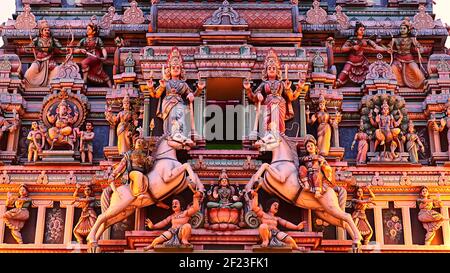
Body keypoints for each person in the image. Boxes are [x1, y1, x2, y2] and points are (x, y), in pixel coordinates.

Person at [244, 49, 305, 135]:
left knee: (280, 122)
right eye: (269, 68)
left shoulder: (281, 83)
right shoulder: (264, 84)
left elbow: (292, 97)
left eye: (273, 68)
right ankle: (267, 135)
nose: (271, 70)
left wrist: (296, 88)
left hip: (280, 104)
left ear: (277, 71)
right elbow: (253, 98)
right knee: (266, 122)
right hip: (268, 103)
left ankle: (281, 136)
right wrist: (248, 89)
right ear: (265, 71)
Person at [148, 47, 205, 135]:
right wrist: (151, 87)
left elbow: (193, 95)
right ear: (169, 70)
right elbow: (155, 95)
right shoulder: (165, 82)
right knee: (170, 121)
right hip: (167, 104)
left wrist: (199, 89)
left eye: (178, 67)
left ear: (181, 70)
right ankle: (169, 136)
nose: (175, 69)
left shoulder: (183, 84)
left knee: (180, 121)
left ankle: (180, 135)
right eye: (173, 67)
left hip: (179, 104)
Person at [336, 22, 387, 88]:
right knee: (345, 70)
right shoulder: (352, 39)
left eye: (363, 30)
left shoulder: (366, 40)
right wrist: (352, 47)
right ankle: (337, 83)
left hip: (361, 60)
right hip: (351, 60)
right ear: (356, 31)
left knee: (370, 70)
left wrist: (385, 50)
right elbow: (343, 49)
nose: (362, 31)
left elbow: (376, 47)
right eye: (360, 29)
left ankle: (371, 84)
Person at [24, 20, 65, 88]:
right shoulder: (37, 39)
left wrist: (68, 49)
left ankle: (51, 84)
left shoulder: (53, 40)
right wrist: (29, 48)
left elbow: (61, 48)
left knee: (57, 70)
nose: (47, 31)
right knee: (31, 70)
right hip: (39, 60)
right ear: (41, 32)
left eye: (48, 30)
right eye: (45, 30)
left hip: (50, 60)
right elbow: (28, 47)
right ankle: (29, 83)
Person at [390, 19, 426, 89]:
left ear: (408, 30)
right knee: (393, 69)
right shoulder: (395, 38)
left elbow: (418, 45)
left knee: (415, 69)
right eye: (401, 28)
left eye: (404, 28)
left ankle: (420, 83)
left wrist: (420, 51)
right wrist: (389, 50)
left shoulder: (412, 38)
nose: (402, 30)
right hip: (398, 58)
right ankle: (397, 84)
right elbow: (389, 47)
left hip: (409, 58)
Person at [73, 22, 112, 87]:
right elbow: (75, 50)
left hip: (96, 56)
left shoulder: (97, 39)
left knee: (84, 63)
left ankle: (84, 80)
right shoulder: (84, 40)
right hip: (89, 57)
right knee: (99, 72)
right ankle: (110, 85)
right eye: (87, 29)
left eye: (89, 29)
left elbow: (103, 48)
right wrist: (80, 50)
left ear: (93, 32)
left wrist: (105, 56)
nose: (87, 31)